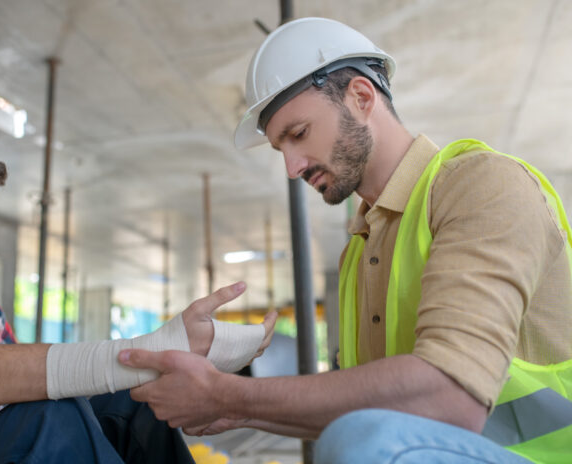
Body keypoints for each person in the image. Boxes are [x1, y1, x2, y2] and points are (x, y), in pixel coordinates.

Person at [119, 17, 572, 463]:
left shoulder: (482, 185)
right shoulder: (359, 251)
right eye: (281, 149)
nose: (292, 168)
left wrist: (230, 398)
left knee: (358, 441)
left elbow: (450, 396)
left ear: (360, 96)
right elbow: (370, 406)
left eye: (298, 134)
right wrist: (228, 408)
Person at [0, 124, 276, 463]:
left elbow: (16, 386)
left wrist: (164, 359)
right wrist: (151, 348)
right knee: (50, 417)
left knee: (127, 398)